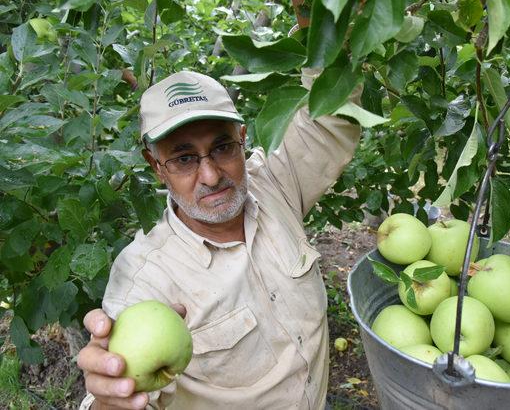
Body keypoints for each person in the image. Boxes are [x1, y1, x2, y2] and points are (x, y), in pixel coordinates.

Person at [76, 66, 361, 409]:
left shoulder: (275, 184)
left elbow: (332, 114)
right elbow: (117, 394)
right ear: (156, 165)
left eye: (223, 148)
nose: (210, 176)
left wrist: (318, 23)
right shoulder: (145, 280)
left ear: (242, 138)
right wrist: (110, 400)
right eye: (183, 159)